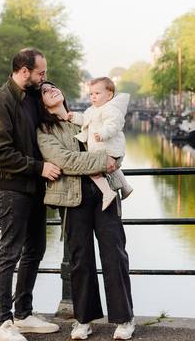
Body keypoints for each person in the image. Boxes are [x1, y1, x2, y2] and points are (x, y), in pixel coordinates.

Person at [37, 81, 135, 341]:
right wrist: (103, 161)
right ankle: (84, 319)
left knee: (114, 254)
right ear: (42, 103)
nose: (52, 89)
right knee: (81, 260)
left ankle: (124, 318)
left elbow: (116, 146)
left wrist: (111, 159)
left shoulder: (89, 115)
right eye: (45, 91)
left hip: (106, 193)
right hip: (72, 197)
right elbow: (66, 161)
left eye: (54, 86)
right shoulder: (45, 130)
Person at [0, 48, 62, 341]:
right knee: (9, 253)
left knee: (36, 249)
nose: (45, 77)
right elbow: (1, 153)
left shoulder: (32, 97)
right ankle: (2, 324)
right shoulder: (1, 101)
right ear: (24, 71)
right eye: (40, 72)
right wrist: (40, 167)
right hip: (14, 188)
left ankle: (23, 314)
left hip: (35, 187)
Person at [69, 77, 133, 211]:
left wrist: (103, 133)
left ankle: (107, 192)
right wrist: (74, 117)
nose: (93, 97)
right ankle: (126, 187)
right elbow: (85, 120)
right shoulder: (92, 109)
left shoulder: (110, 109)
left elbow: (114, 124)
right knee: (113, 168)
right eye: (91, 94)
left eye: (97, 94)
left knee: (93, 170)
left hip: (109, 148)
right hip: (103, 149)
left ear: (109, 95)